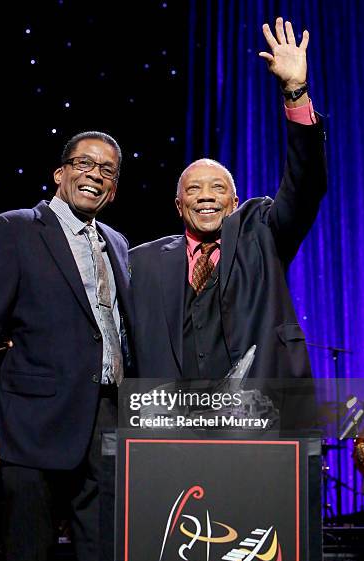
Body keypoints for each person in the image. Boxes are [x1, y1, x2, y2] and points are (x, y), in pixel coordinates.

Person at [0, 131, 133, 561]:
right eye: (84, 163)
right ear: (60, 173)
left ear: (114, 187)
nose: (94, 175)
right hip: (30, 424)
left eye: (107, 170)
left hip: (108, 420)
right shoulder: (14, 229)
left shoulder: (117, 243)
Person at [130, 18, 327, 388]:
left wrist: (295, 92)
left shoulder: (263, 233)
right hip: (175, 424)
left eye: (217, 188)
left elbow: (307, 185)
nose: (206, 196)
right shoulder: (141, 262)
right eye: (193, 190)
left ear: (234, 201)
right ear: (177, 205)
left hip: (260, 415)